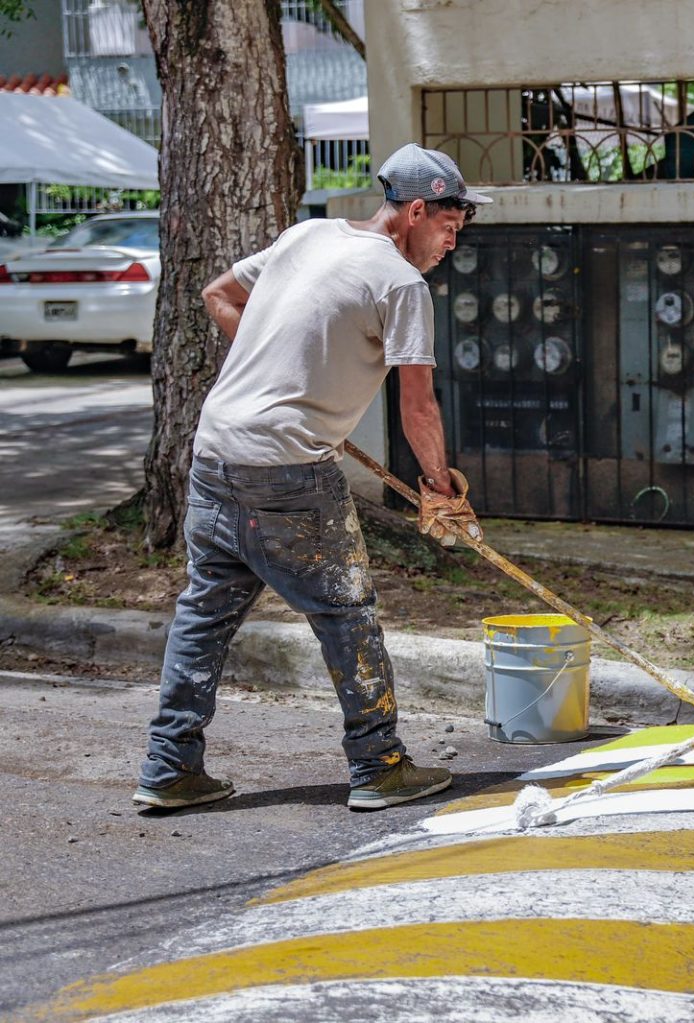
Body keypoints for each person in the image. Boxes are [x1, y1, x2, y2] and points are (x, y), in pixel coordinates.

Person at [133, 144, 492, 811]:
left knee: (204, 613)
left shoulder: (308, 235)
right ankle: (379, 764)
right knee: (346, 610)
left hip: (216, 453)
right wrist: (440, 490)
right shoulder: (402, 285)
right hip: (290, 471)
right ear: (416, 210)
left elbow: (220, 295)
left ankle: (168, 765)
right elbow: (418, 406)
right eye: (449, 226)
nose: (452, 241)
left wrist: (280, 378)